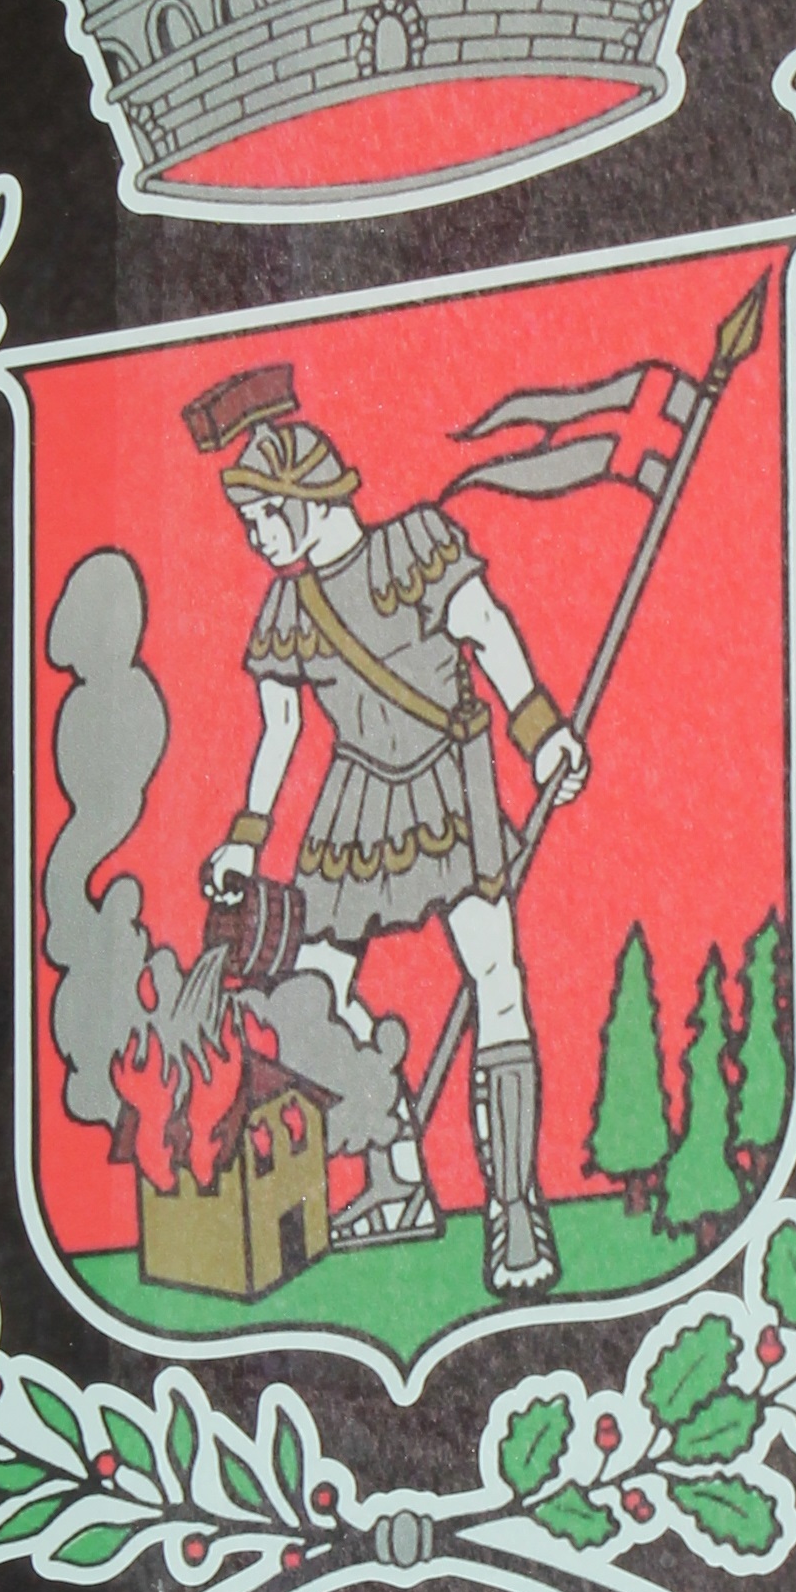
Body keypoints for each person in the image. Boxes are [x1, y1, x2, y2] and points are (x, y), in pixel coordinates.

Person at [185, 362, 589, 1298]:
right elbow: (280, 731)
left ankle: (513, 1209)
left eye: (262, 517)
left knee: (495, 978)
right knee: (309, 997)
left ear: (305, 496)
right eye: (246, 522)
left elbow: (486, 629)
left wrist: (541, 732)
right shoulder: (287, 608)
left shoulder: (415, 546)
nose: (253, 539)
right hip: (355, 802)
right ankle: (397, 1172)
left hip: (451, 780)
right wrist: (244, 836)